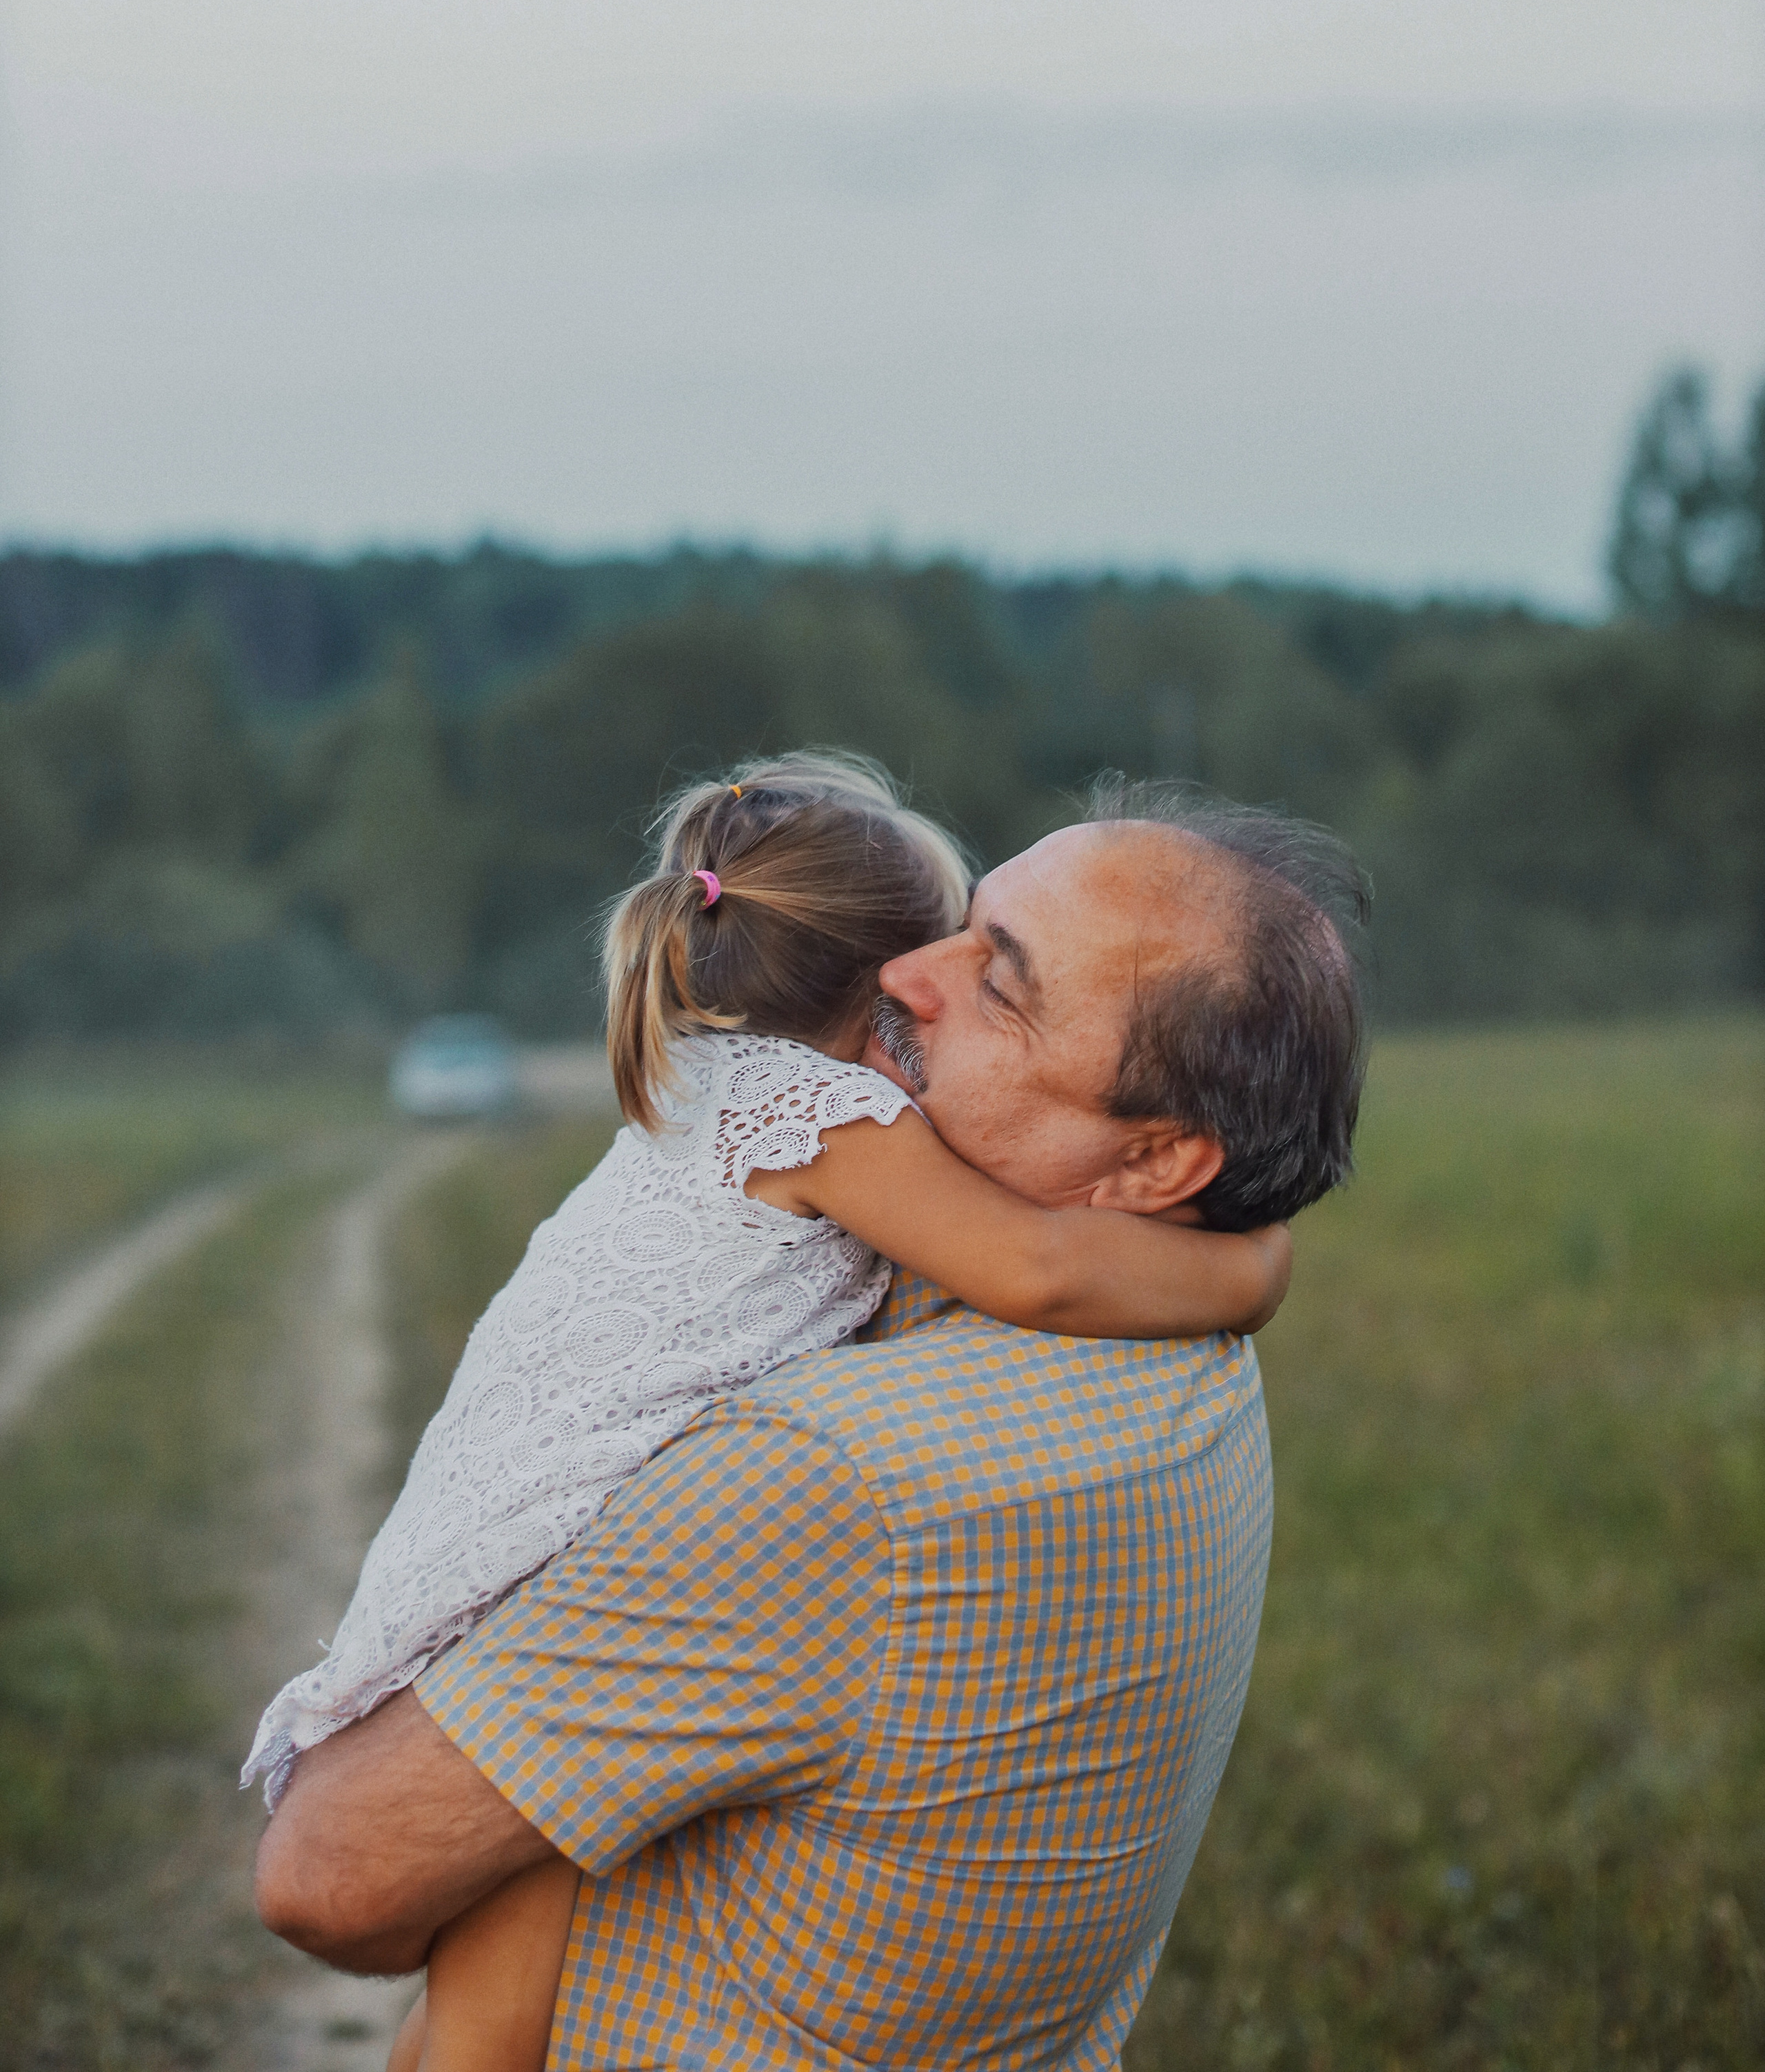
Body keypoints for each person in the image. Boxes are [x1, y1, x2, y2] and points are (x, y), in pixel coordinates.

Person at [256, 770, 1368, 2072]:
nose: (907, 979)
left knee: (488, 1960)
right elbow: (1039, 1266)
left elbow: (325, 1884)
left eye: (996, 979)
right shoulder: (1195, 1382)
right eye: (957, 925)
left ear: (1157, 1161)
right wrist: (1249, 1275)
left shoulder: (836, 1472)